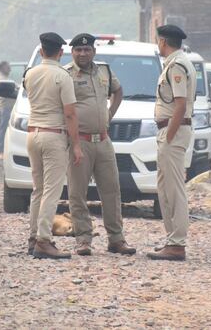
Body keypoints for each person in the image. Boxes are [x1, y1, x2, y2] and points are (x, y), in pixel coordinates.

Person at [65, 33, 136, 257]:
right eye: (78, 50)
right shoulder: (66, 75)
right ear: (72, 52)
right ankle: (83, 240)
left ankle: (116, 239)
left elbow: (118, 91)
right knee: (77, 193)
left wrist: (108, 115)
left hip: (103, 140)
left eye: (87, 50)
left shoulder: (103, 70)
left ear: (94, 52)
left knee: (112, 191)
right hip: (80, 142)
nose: (83, 53)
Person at [25, 32, 83, 259]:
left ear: (41, 52)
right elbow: (70, 114)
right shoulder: (62, 76)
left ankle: (33, 237)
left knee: (38, 189)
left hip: (32, 134)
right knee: (52, 189)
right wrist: (76, 144)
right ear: (61, 52)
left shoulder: (30, 74)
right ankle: (44, 240)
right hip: (53, 135)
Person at [147, 24, 196, 261]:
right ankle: (172, 241)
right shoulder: (177, 62)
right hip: (172, 130)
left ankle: (177, 243)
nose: (158, 45)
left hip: (173, 132)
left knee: (174, 188)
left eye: (158, 41)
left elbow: (180, 104)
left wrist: (168, 135)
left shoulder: (176, 65)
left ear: (164, 41)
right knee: (165, 187)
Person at [0, 61, 16, 154]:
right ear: (2, 68)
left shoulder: (6, 79)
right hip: (6, 107)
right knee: (4, 127)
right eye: (8, 67)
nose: (10, 69)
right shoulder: (1, 80)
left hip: (10, 107)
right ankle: (1, 147)